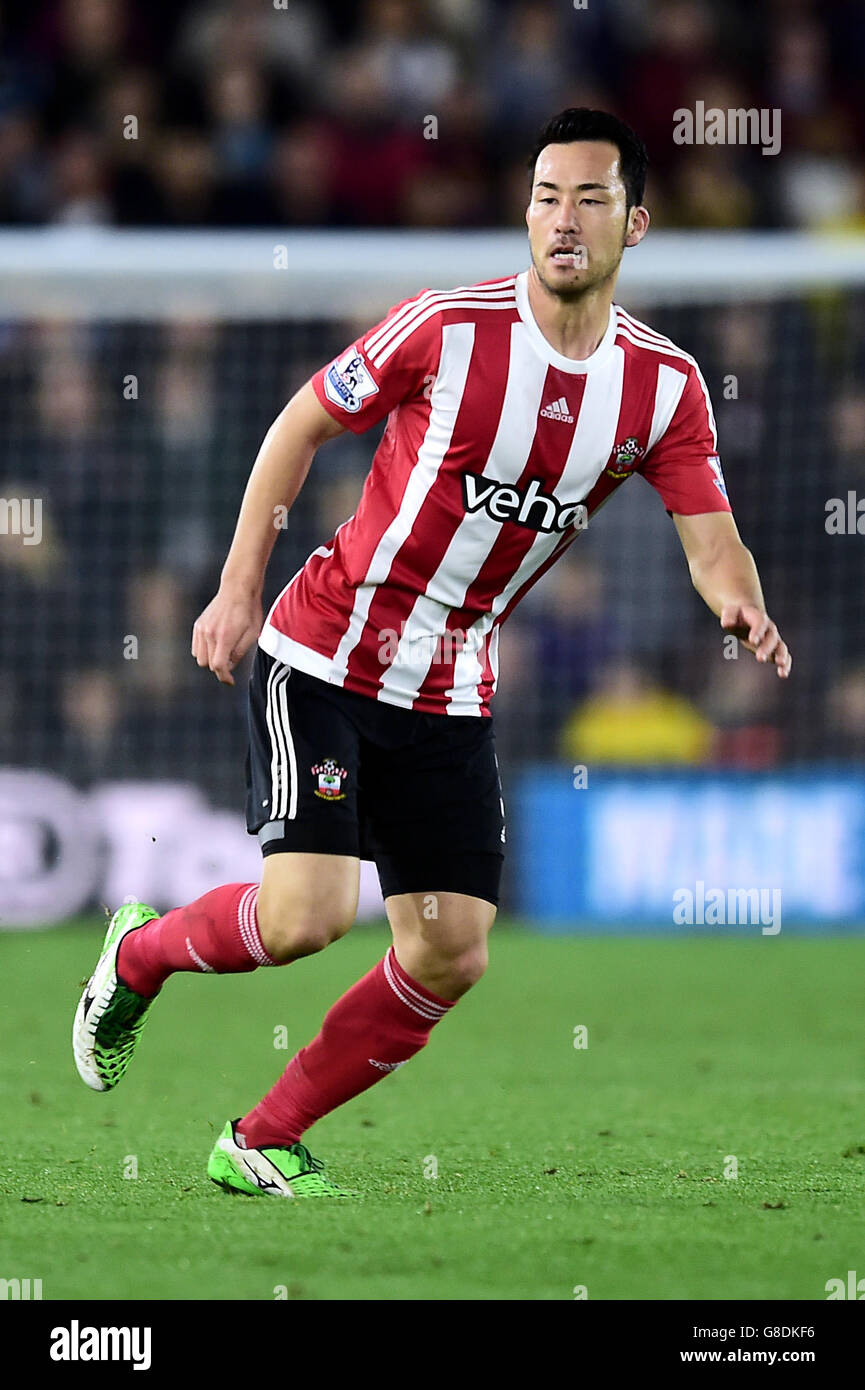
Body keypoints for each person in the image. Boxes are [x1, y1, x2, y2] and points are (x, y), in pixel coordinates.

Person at [73, 108, 791, 1198]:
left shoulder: (664, 386)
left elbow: (711, 538)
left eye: (590, 198)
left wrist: (741, 604)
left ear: (633, 225)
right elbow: (297, 426)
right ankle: (135, 957)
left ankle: (259, 1138)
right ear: (525, 211)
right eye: (547, 195)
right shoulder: (447, 328)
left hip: (452, 693)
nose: (563, 218)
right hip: (322, 655)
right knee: (307, 918)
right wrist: (233, 588)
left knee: (451, 950)